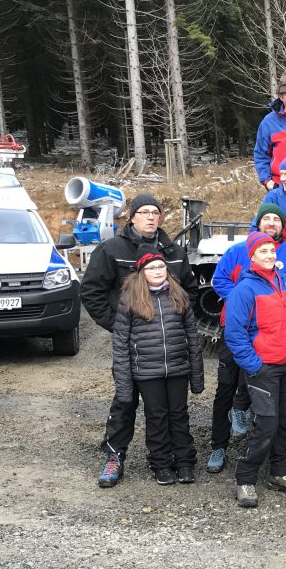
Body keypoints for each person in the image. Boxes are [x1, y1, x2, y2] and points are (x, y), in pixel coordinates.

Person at [80, 193, 199, 489]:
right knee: (125, 399)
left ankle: (177, 458)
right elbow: (91, 292)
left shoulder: (173, 251)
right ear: (131, 217)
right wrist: (121, 327)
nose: (150, 217)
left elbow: (190, 291)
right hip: (134, 346)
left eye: (155, 212)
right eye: (143, 212)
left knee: (172, 410)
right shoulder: (112, 250)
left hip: (169, 350)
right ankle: (114, 455)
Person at [207, 203, 286, 474]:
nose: (272, 222)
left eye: (277, 219)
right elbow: (220, 280)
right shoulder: (238, 252)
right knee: (226, 387)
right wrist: (243, 301)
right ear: (258, 222)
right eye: (267, 218)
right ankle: (219, 445)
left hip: (273, 337)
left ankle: (277, 463)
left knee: (271, 406)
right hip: (241, 328)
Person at [223, 234, 286, 507]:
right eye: (263, 251)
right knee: (266, 424)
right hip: (264, 367)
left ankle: (280, 472)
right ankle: (245, 479)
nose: (270, 255)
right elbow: (235, 334)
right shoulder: (244, 290)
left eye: (272, 250)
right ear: (252, 256)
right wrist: (254, 366)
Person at [111, 246, 204, 486]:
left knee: (179, 416)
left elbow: (193, 337)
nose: (157, 271)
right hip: (147, 372)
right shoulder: (130, 299)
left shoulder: (178, 294)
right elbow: (120, 343)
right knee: (157, 417)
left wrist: (197, 375)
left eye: (161, 266)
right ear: (142, 272)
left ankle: (184, 462)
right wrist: (124, 384)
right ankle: (161, 464)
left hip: (177, 368)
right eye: (151, 268)